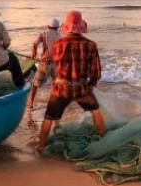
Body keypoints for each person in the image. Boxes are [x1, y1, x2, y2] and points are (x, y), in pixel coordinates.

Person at [37, 10, 107, 154]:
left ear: (66, 27)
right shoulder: (91, 45)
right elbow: (96, 72)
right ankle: (105, 141)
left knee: (49, 117)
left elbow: (55, 66)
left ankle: (41, 147)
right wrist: (91, 85)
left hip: (61, 89)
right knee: (96, 113)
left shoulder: (57, 45)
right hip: (82, 88)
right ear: (81, 27)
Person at [27, 18, 62, 109]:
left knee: (35, 84)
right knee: (55, 84)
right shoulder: (60, 36)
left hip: (44, 63)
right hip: (56, 64)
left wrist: (33, 54)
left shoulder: (43, 34)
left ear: (48, 26)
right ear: (57, 27)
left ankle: (31, 103)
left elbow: (35, 44)